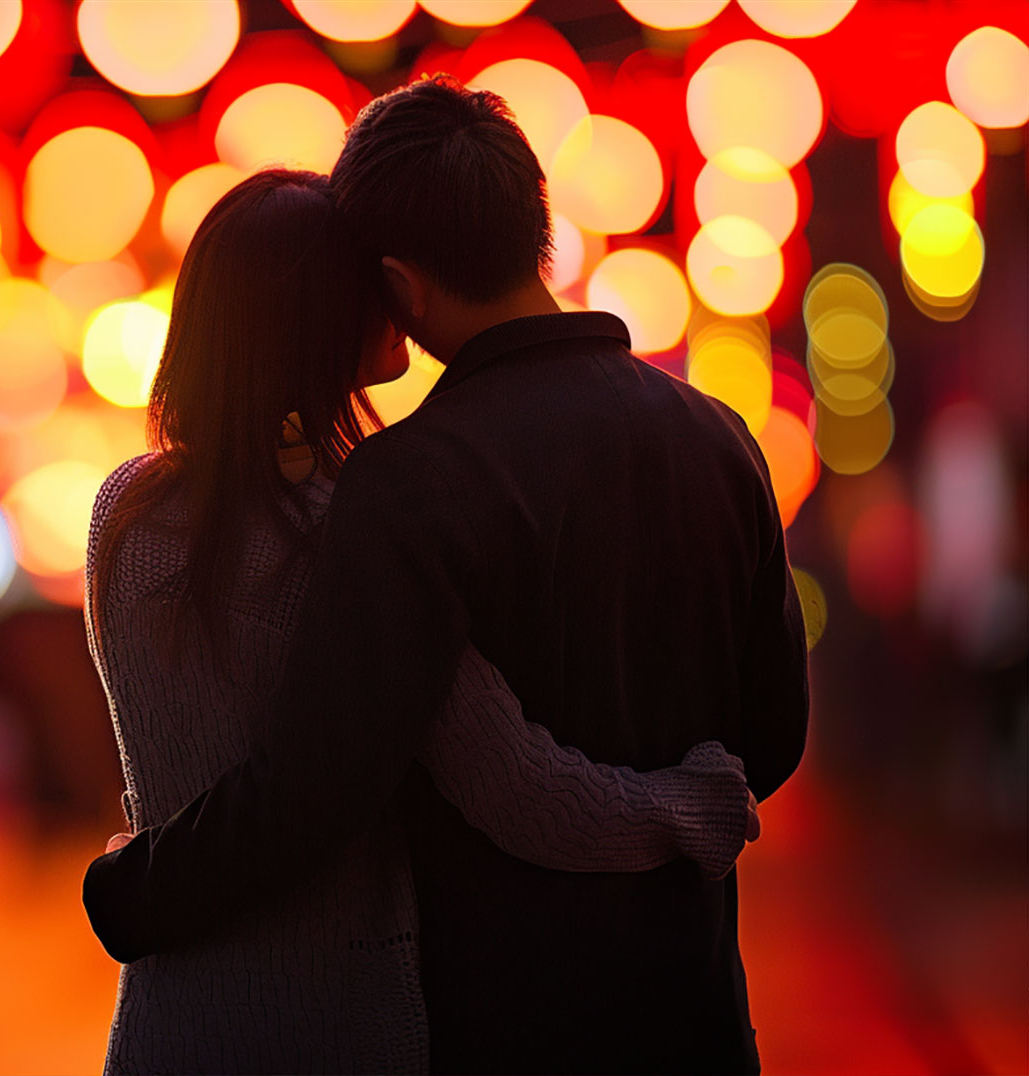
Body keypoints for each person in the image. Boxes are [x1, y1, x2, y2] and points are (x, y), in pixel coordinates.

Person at [83, 77, 808, 1075]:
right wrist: (688, 805)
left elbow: (323, 777)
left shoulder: (402, 481)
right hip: (696, 1017)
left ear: (403, 286)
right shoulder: (722, 439)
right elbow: (771, 735)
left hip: (500, 1025)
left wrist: (130, 888)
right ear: (532, 223)